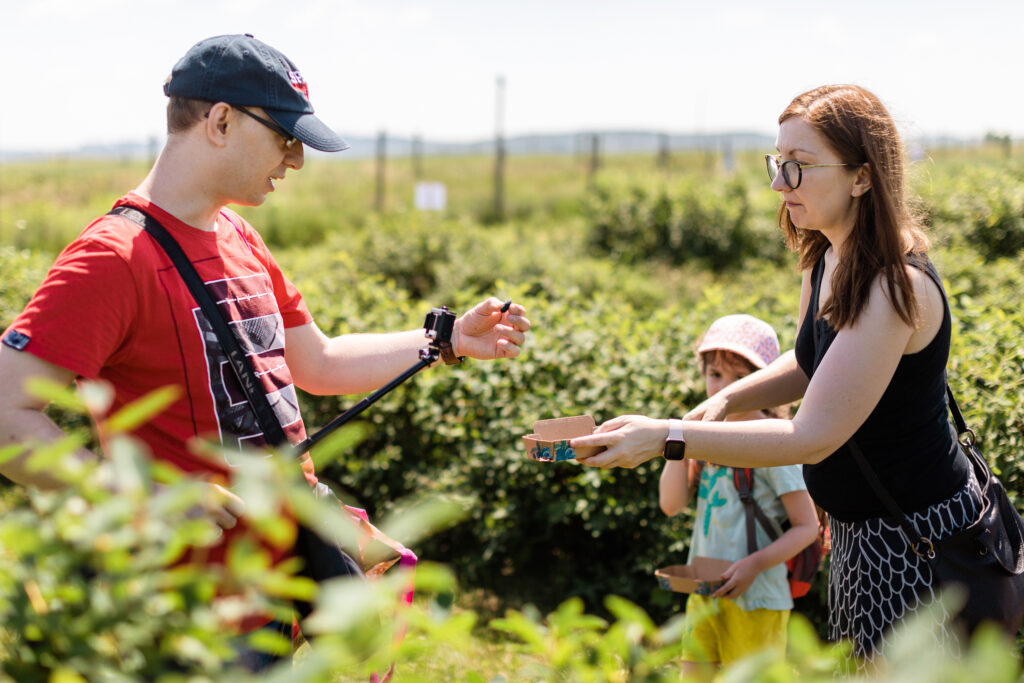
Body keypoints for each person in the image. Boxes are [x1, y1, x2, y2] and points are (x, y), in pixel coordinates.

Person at [0, 34, 530, 671]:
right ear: (221, 121)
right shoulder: (112, 258)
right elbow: (8, 415)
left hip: (287, 585)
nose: (297, 159)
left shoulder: (237, 235)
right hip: (197, 611)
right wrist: (141, 496)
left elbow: (320, 363)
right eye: (285, 135)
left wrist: (443, 341)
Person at [572, 84, 979, 665]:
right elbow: (815, 362)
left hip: (919, 540)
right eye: (777, 163)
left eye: (800, 167)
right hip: (867, 533)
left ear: (863, 177)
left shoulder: (892, 287)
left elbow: (811, 436)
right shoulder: (828, 257)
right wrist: (727, 400)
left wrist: (667, 436)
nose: (778, 183)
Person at [660, 314, 818, 677]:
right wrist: (676, 437)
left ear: (765, 382)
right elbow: (671, 505)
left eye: (741, 378)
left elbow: (806, 526)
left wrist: (753, 565)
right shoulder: (703, 437)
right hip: (705, 592)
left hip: (758, 598)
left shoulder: (774, 441)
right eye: (715, 374)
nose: (722, 388)